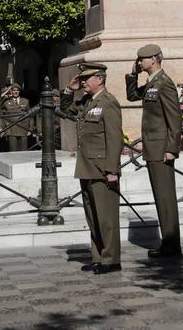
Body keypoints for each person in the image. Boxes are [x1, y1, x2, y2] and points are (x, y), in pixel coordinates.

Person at [61, 63, 123, 274]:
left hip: (102, 167)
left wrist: (112, 170)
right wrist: (70, 90)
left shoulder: (108, 102)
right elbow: (64, 109)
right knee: (93, 216)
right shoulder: (88, 102)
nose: (83, 82)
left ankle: (111, 259)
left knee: (106, 218)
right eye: (82, 78)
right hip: (87, 166)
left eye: (87, 78)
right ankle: (99, 257)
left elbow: (115, 139)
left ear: (100, 79)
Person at [126, 43, 182, 258]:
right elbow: (132, 96)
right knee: (161, 196)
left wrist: (171, 149)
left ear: (155, 59)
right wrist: (133, 75)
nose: (140, 62)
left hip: (161, 149)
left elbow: (173, 118)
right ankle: (168, 244)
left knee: (165, 197)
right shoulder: (152, 83)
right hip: (153, 148)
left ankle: (171, 245)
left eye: (143, 59)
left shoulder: (164, 83)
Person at [0, 84, 34, 152]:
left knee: (24, 152)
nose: (16, 92)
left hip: (23, 129)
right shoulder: (6, 101)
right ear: (11, 91)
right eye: (14, 90)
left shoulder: (25, 101)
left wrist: (30, 129)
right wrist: (3, 96)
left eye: (17, 90)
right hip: (11, 130)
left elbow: (30, 116)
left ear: (19, 91)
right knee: (13, 152)